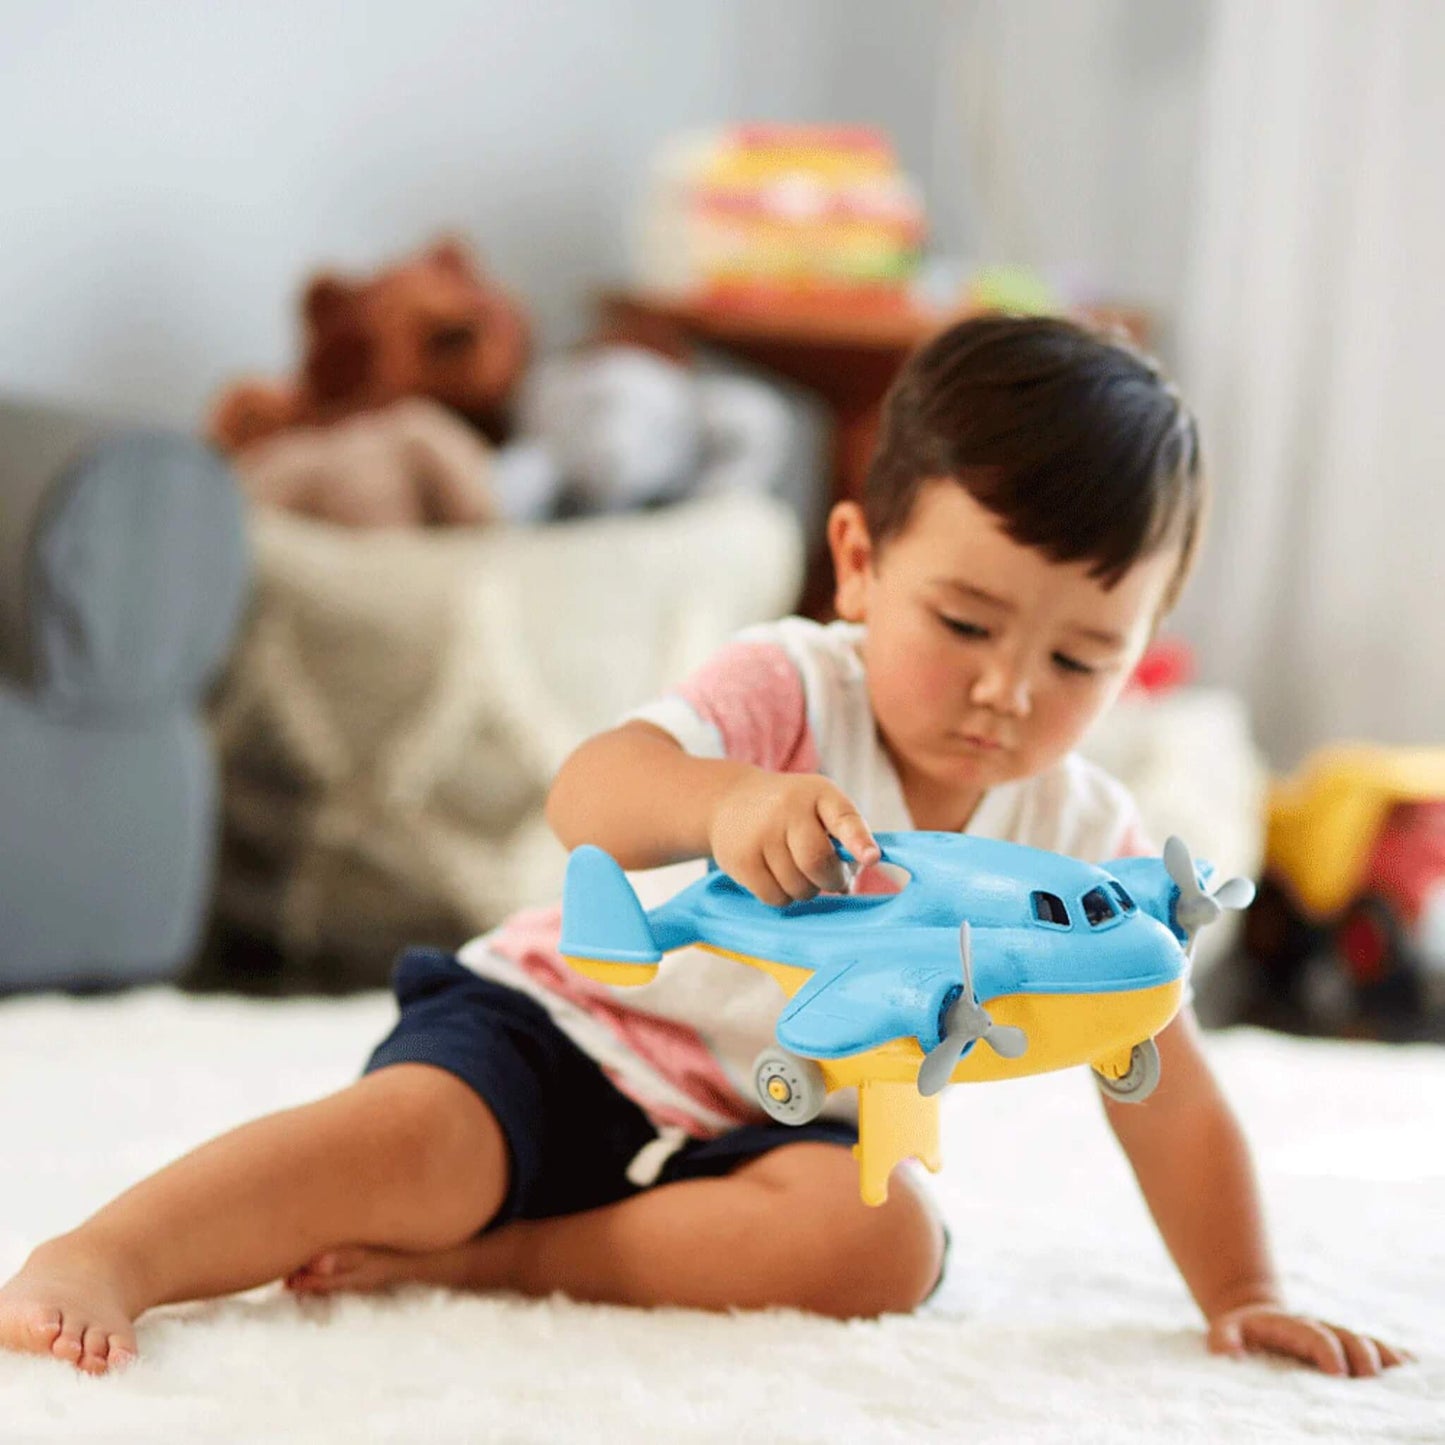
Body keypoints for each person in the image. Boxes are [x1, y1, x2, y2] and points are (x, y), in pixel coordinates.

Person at [0, 317, 1408, 1378]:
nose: (1006, 688)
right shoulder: (794, 686)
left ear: (1140, 656)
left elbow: (1158, 1073)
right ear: (856, 561)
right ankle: (116, 1249)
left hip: (775, 1120)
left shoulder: (1084, 841)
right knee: (409, 1143)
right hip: (570, 1027)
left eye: (1080, 655)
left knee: (884, 1240)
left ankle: (505, 1261)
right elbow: (592, 791)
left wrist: (1239, 1288)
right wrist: (726, 800)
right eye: (965, 624)